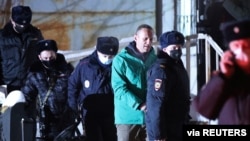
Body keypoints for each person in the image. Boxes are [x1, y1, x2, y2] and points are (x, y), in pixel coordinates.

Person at [193, 19, 250, 124]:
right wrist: (222, 77)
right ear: (230, 51)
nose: (241, 50)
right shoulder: (224, 78)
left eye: (246, 45)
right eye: (236, 46)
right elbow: (203, 109)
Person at [68, 36, 119, 141]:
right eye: (104, 56)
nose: (107, 59)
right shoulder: (84, 65)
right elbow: (73, 86)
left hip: (111, 112)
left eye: (111, 57)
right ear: (97, 50)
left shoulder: (118, 65)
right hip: (90, 112)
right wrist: (74, 109)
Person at [21, 39, 74, 141]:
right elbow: (27, 94)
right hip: (48, 118)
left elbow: (75, 88)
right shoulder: (35, 72)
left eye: (51, 57)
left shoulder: (66, 69)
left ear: (56, 54)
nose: (49, 60)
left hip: (67, 115)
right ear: (39, 57)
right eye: (45, 58)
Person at [111, 24, 157, 141]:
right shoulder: (121, 60)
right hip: (128, 118)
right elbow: (119, 88)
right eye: (145, 39)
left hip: (150, 118)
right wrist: (140, 104)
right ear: (135, 38)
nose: (148, 42)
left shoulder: (155, 59)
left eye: (151, 39)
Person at [146, 31, 191, 141]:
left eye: (180, 46)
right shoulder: (161, 70)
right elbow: (155, 104)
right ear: (165, 48)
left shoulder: (176, 65)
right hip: (165, 129)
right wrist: (159, 134)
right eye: (174, 47)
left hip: (176, 126)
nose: (178, 49)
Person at [0, 5, 44, 94]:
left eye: (25, 24)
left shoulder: (35, 34)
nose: (22, 27)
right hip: (7, 85)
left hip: (29, 84)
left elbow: (42, 57)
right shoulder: (2, 37)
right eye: (19, 24)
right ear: (12, 20)